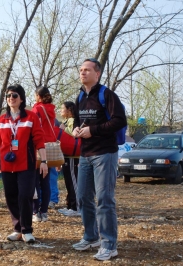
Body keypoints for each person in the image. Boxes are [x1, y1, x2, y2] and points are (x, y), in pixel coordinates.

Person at [72, 58, 127, 261]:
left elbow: (120, 120)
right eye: (80, 70)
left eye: (87, 70)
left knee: (104, 200)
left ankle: (109, 245)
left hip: (105, 154)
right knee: (83, 198)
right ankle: (91, 237)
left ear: (97, 73)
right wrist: (76, 128)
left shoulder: (107, 95)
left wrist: (92, 131)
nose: (82, 73)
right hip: (85, 155)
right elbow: (78, 120)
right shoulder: (80, 97)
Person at [0, 84, 48, 243]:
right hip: (7, 164)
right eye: (8, 96)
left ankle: (27, 230)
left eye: (14, 96)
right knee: (11, 196)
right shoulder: (2, 119)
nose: (11, 98)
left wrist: (44, 161)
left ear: (21, 99)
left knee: (25, 195)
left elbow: (39, 140)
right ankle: (17, 229)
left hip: (27, 164)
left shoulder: (31, 117)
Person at [31, 86, 56, 222]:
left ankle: (35, 212)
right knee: (45, 181)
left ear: (38, 96)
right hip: (50, 148)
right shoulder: (51, 110)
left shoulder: (38, 109)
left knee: (35, 181)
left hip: (38, 147)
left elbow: (34, 128)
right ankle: (44, 212)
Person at [57, 101, 80, 217]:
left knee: (73, 181)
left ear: (69, 110)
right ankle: (70, 206)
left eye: (63, 108)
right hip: (67, 155)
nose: (61, 110)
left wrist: (63, 129)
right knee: (68, 181)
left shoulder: (74, 121)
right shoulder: (65, 122)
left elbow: (75, 134)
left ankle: (77, 207)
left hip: (73, 157)